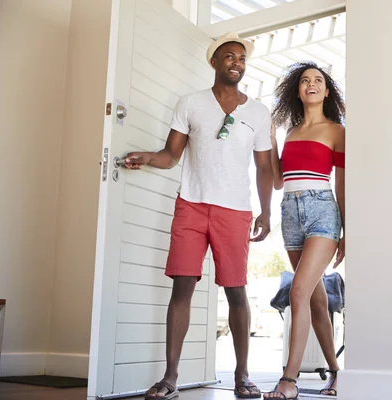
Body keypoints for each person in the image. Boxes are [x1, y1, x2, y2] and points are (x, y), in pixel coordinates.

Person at [123, 32, 273, 400]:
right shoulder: (190, 103)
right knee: (182, 288)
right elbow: (171, 154)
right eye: (229, 56)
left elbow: (265, 167)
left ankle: (242, 375)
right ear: (214, 62)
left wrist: (266, 211)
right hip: (191, 204)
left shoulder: (257, 112)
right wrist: (147, 157)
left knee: (236, 290)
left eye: (241, 58)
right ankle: (170, 377)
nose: (236, 62)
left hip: (235, 210)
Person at [265, 61, 346, 399]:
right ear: (297, 90)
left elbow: (342, 184)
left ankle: (289, 380)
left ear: (327, 91)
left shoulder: (338, 131)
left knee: (298, 291)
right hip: (290, 212)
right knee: (313, 299)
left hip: (322, 212)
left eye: (318, 80)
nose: (311, 84)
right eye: (304, 80)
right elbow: (280, 179)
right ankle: (336, 373)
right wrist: (270, 140)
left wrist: (348, 231)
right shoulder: (291, 131)